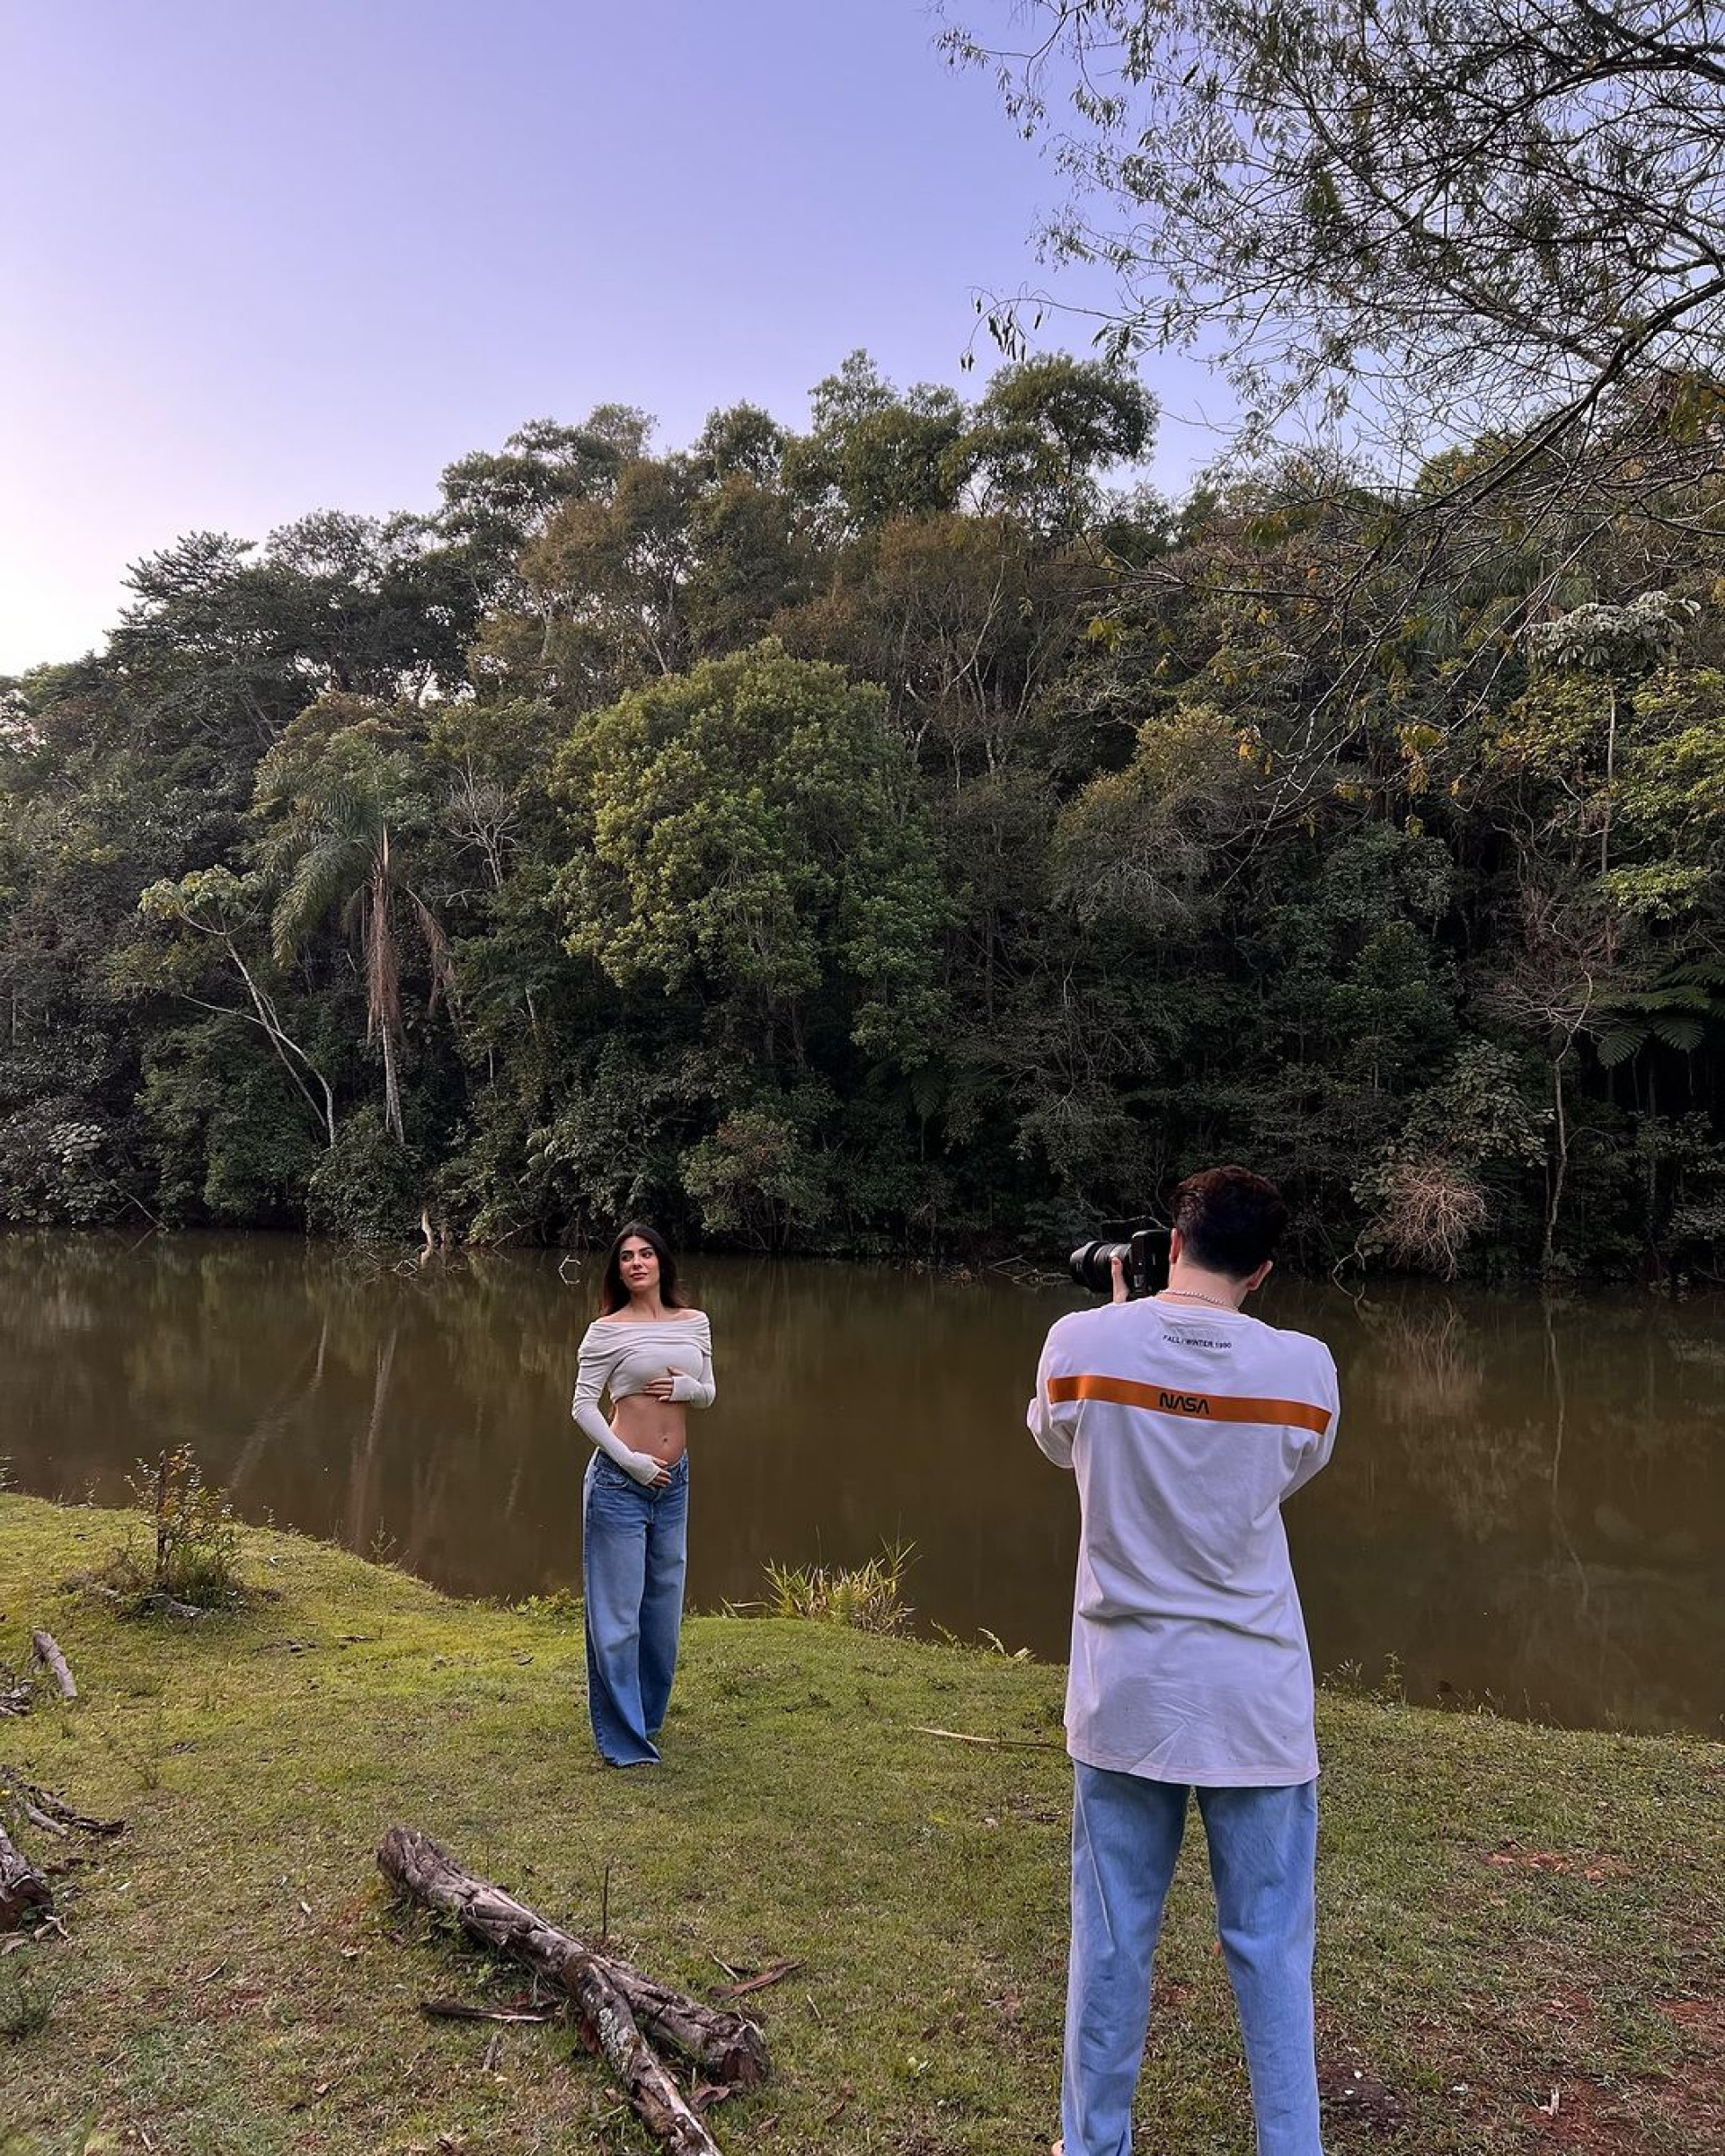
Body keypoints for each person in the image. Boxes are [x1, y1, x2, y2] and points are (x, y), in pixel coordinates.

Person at [1029, 1167, 1340, 2156]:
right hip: (1257, 1701)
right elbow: (1287, 1472)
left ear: (1171, 1242)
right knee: (1271, 1952)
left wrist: (1125, 1323)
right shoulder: (1306, 1370)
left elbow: (1057, 1441)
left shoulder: (1081, 1344)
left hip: (1126, 1693)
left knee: (1112, 1942)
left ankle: (1094, 2145)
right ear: (1263, 1269)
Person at [571, 1222, 715, 1767]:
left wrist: (686, 1388)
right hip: (620, 1483)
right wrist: (629, 1461)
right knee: (618, 1618)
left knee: (662, 1614)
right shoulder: (606, 1331)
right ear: (618, 1270)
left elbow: (708, 1392)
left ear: (661, 1262)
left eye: (646, 1253)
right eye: (626, 1256)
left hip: (674, 1484)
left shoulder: (694, 1322)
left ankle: (647, 1720)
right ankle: (624, 1741)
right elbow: (582, 1407)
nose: (636, 1262)